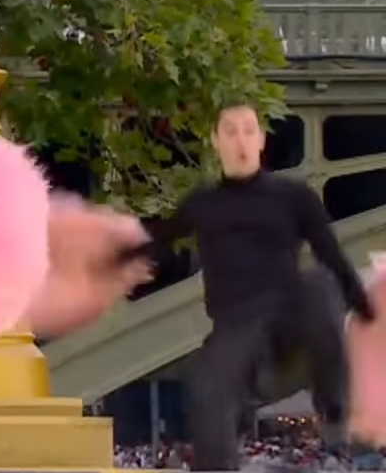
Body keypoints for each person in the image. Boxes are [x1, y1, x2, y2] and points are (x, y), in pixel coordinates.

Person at [144, 103, 374, 471]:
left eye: (249, 130)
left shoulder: (293, 197)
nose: (241, 141)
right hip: (236, 329)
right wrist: (116, 262)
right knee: (208, 388)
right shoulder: (203, 204)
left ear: (262, 140)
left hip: (286, 318)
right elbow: (157, 240)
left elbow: (331, 255)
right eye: (231, 131)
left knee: (318, 283)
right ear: (216, 141)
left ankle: (332, 404)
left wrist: (366, 311)